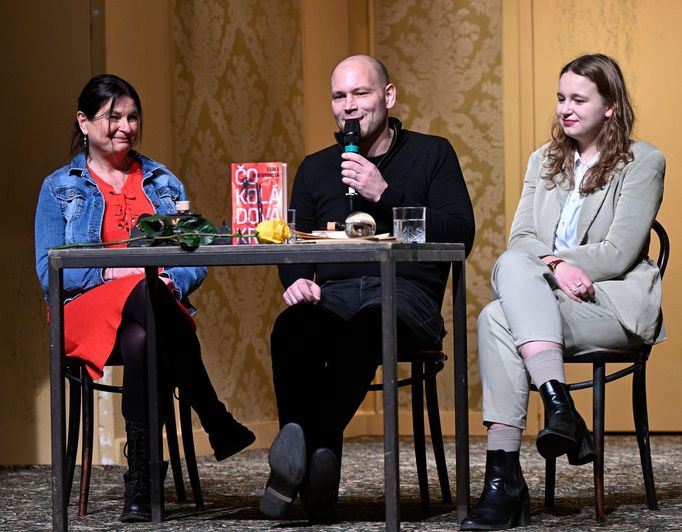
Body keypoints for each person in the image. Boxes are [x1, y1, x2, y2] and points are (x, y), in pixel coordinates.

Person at [258, 55, 475, 523]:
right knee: (292, 328)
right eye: (339, 96)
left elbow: (461, 234)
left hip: (406, 298)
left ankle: (299, 448)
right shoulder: (316, 168)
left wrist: (385, 193)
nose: (350, 107)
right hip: (333, 296)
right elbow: (296, 246)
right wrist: (296, 281)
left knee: (366, 327)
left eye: (361, 94)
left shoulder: (432, 154)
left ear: (388, 97)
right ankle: (313, 468)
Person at [34, 74, 255, 523]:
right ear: (84, 122)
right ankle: (214, 416)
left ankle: (141, 482)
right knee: (141, 289)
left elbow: (196, 255)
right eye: (112, 116)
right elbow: (47, 273)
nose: (125, 126)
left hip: (149, 313)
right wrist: (108, 270)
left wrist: (174, 281)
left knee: (143, 331)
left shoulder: (162, 181)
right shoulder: (58, 187)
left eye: (132, 116)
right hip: (84, 313)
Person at [461, 54, 666, 530]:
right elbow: (523, 241)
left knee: (498, 315)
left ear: (610, 106)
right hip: (549, 300)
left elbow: (617, 253)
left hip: (609, 304)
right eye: (560, 98)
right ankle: (554, 412)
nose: (565, 109)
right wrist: (556, 265)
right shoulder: (544, 161)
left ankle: (506, 482)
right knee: (506, 282)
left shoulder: (643, 162)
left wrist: (558, 263)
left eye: (578, 99)